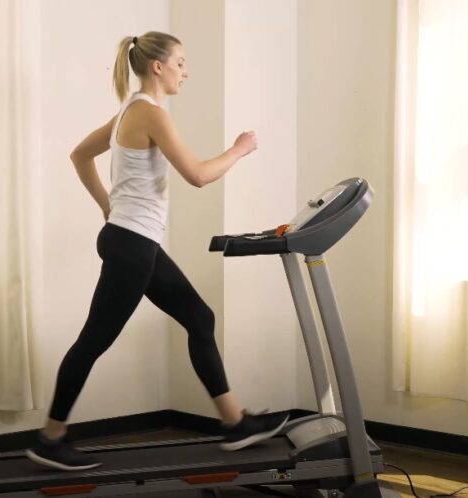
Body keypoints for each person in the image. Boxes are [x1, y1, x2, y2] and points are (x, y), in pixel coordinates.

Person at [26, 31, 289, 472]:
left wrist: (109, 207)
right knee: (93, 341)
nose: (186, 72)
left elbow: (79, 156)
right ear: (158, 67)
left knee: (199, 318)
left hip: (132, 240)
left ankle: (234, 422)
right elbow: (199, 175)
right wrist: (240, 150)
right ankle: (51, 438)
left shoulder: (131, 110)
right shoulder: (149, 113)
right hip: (132, 244)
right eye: (181, 63)